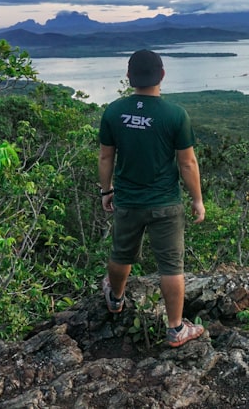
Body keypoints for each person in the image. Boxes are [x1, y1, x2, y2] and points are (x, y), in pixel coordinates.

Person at [98, 49, 207, 347]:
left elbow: (106, 156)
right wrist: (197, 200)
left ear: (129, 76)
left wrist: (106, 190)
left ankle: (116, 299)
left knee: (121, 254)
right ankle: (175, 328)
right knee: (171, 266)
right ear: (161, 75)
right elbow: (187, 164)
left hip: (128, 200)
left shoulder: (113, 111)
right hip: (165, 203)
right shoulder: (175, 115)